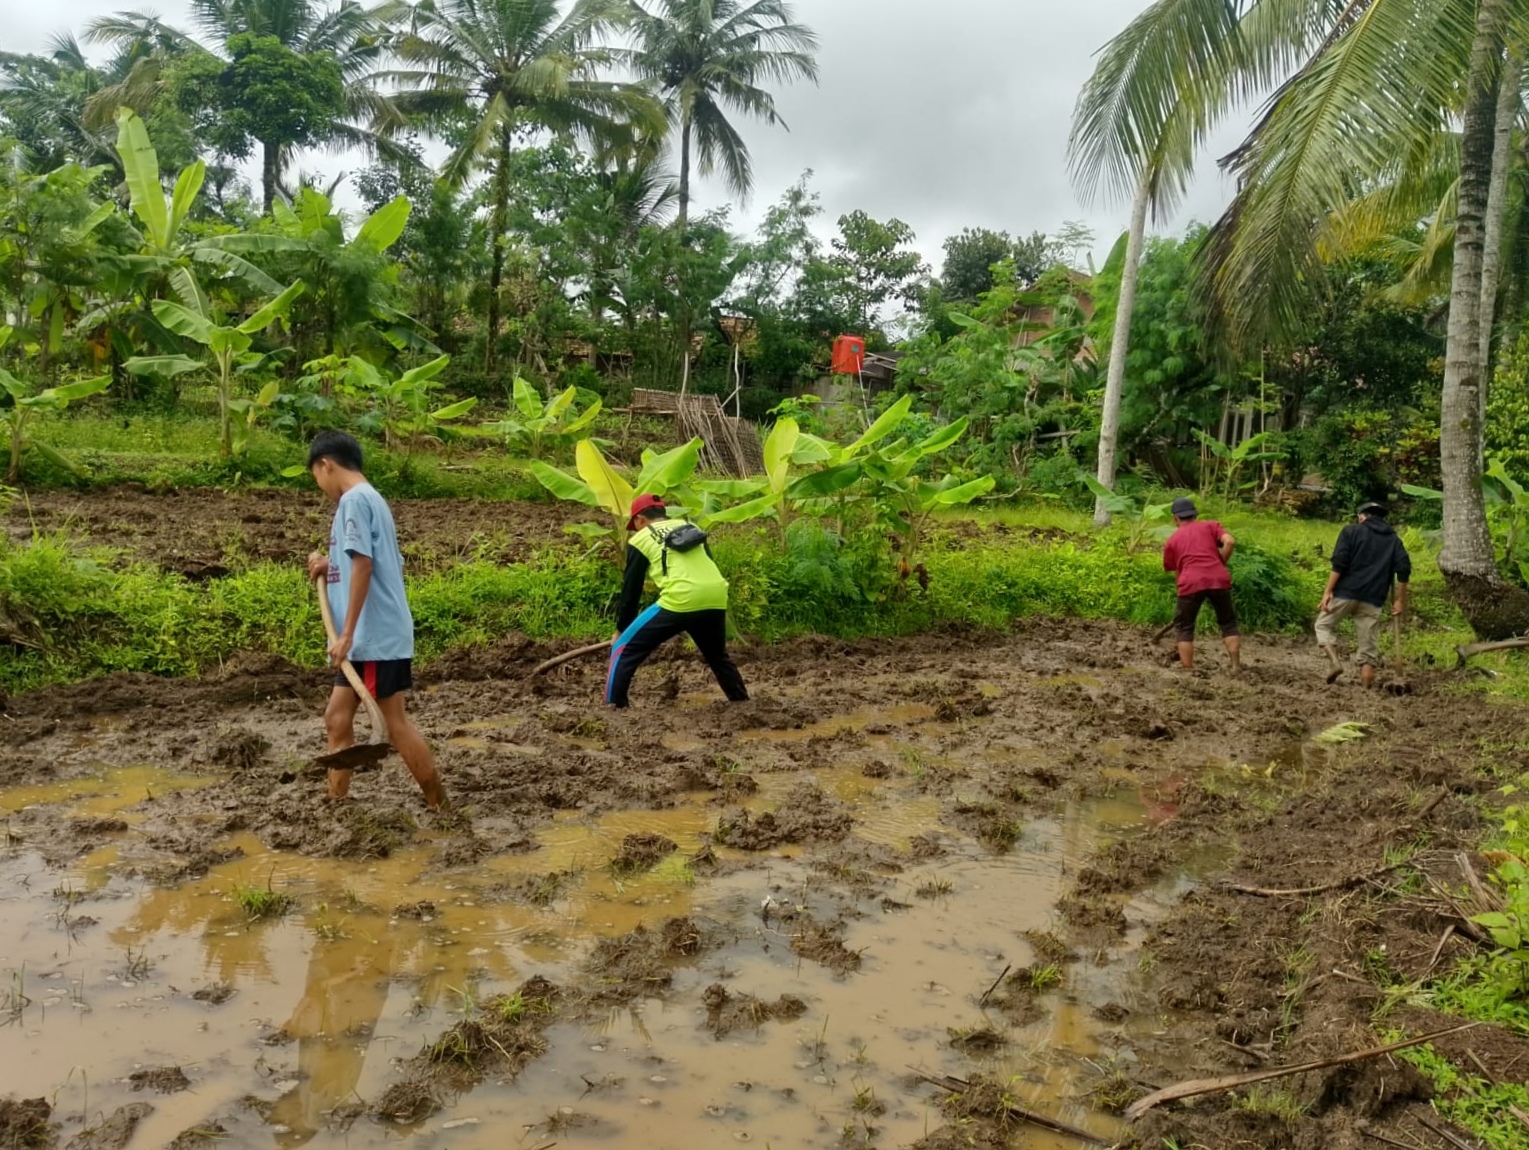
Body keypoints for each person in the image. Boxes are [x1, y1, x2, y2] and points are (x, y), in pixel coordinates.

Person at [304, 431, 445, 807]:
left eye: (317, 478)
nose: (321, 487)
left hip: (371, 637)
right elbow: (370, 562)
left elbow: (364, 565)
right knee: (337, 718)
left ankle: (439, 804)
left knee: (393, 724)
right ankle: (336, 805)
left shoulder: (353, 501)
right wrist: (328, 563)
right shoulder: (371, 499)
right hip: (367, 637)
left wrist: (347, 633)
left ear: (326, 464)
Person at [607, 494, 749, 708]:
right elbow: (707, 562)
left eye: (634, 525)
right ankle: (742, 704)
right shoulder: (688, 526)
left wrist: (620, 630)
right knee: (717, 656)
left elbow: (631, 590)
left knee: (623, 649)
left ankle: (613, 708)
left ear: (640, 520)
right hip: (715, 595)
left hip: (680, 599)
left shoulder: (641, 538)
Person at [1316, 500, 1411, 688]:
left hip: (1346, 592)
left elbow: (1339, 563)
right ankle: (1367, 694)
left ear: (1362, 516)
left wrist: (1328, 591)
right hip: (1373, 598)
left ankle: (1335, 662)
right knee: (1368, 649)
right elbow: (1404, 569)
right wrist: (1400, 600)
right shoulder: (1393, 540)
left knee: (1323, 626)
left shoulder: (1351, 531)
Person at [1162, 496, 1241, 673]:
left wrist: (1180, 592)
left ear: (1175, 518)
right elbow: (1230, 541)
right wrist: (1220, 563)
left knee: (1185, 628)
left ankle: (1188, 669)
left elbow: (1177, 569)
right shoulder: (1211, 526)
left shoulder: (1172, 541)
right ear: (1194, 514)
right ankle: (1236, 665)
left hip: (1190, 582)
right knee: (1228, 623)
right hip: (1219, 579)